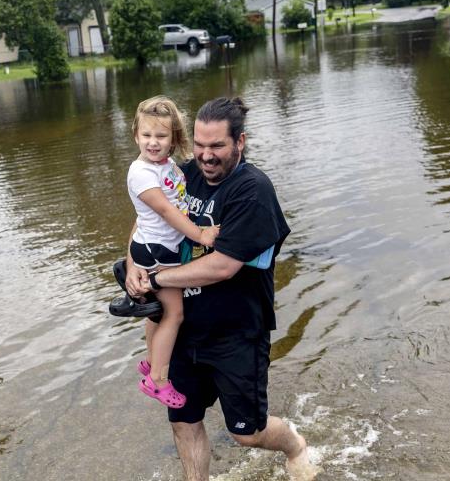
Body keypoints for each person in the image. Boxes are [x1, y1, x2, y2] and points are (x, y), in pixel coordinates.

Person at [125, 97, 319, 480]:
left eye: (217, 147)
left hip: (235, 332)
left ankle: (295, 445)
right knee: (184, 421)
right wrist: (134, 265)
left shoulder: (253, 192)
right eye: (199, 145)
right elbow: (148, 217)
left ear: (240, 142)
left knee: (247, 433)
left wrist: (157, 280)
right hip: (181, 327)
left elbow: (223, 265)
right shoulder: (182, 174)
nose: (206, 156)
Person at [125, 96, 220, 408]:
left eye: (161, 136)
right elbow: (166, 212)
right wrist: (202, 235)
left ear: (174, 139)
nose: (153, 143)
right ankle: (158, 380)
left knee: (157, 312)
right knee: (173, 314)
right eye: (147, 135)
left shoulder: (166, 166)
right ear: (136, 135)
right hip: (156, 251)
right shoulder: (141, 173)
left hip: (156, 247)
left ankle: (152, 359)